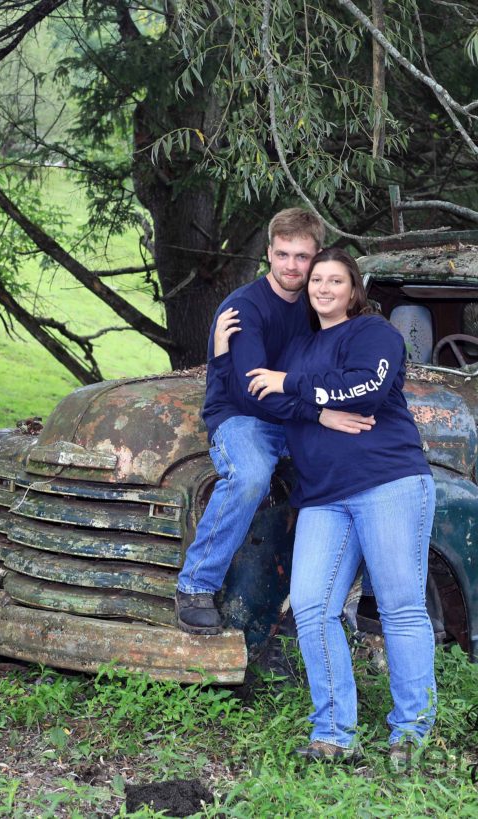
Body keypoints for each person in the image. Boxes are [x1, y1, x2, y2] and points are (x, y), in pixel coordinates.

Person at [246, 247, 437, 763]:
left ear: (353, 290)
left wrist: (294, 386)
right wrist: (319, 412)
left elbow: (366, 389)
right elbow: (266, 396)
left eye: (335, 280)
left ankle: (411, 732)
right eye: (316, 280)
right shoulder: (299, 346)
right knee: (312, 607)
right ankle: (333, 732)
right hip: (323, 496)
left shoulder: (374, 333)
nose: (323, 288)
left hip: (387, 482)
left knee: (399, 606)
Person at [175, 210, 374, 634]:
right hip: (243, 417)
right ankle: (195, 586)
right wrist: (318, 413)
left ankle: (346, 598)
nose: (291, 266)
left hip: (295, 418)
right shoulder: (245, 307)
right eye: (282, 254)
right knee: (250, 476)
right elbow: (253, 391)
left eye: (302, 257)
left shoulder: (316, 302)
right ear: (268, 253)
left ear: (318, 256)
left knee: (365, 465)